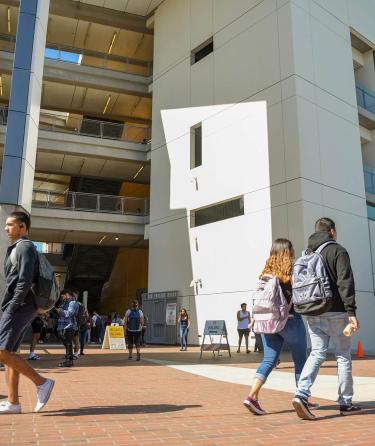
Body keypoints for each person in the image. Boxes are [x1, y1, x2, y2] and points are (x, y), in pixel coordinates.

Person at [293, 218, 361, 420]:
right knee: (342, 356)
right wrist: (352, 312)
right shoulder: (337, 250)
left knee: (316, 353)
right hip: (337, 311)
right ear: (332, 231)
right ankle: (345, 402)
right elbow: (345, 282)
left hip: (313, 311)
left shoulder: (307, 254)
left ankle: (301, 393)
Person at [243, 239, 317, 415]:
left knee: (269, 360)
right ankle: (302, 397)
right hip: (290, 320)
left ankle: (252, 396)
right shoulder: (291, 272)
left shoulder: (265, 274)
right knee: (300, 360)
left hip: (268, 323)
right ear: (288, 252)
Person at [0, 211, 54, 413]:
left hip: (21, 305)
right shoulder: (18, 248)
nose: (6, 228)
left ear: (23, 227)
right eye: (6, 225)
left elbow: (24, 280)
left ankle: (42, 383)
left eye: (10, 224)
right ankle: (13, 403)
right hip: (21, 304)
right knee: (9, 353)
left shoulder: (25, 247)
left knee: (2, 351)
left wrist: (13, 305)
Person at [57, 289, 79, 367]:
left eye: (63, 296)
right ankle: (69, 358)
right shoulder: (66, 302)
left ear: (67, 294)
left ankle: (69, 361)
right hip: (63, 326)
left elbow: (69, 313)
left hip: (69, 325)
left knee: (68, 343)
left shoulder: (72, 303)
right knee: (67, 343)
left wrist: (60, 311)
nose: (62, 298)